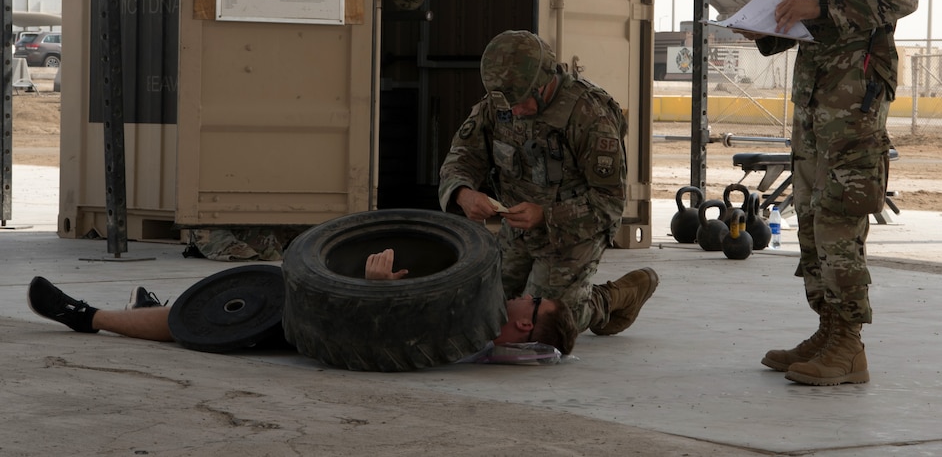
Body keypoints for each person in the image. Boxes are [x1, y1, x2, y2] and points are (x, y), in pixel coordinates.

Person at [750, 0, 924, 386]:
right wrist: (768, 26)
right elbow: (809, 18)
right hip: (813, 95)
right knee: (806, 216)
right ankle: (827, 329)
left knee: (840, 217)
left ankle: (849, 345)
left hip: (856, 95)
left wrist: (820, 5)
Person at [438, 30, 658, 337]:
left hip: (574, 231)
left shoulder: (589, 115)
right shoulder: (499, 104)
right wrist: (463, 193)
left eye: (522, 101)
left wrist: (546, 215)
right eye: (508, 104)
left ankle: (610, 298)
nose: (514, 111)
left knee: (548, 324)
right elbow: (462, 157)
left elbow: (610, 203)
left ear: (546, 80)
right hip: (517, 230)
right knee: (483, 312)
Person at [26, 248, 579, 357]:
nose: (520, 296)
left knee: (194, 324)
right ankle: (159, 304)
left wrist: (376, 291)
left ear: (527, 326)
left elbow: (401, 343)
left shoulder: (478, 344)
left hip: (315, 335)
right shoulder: (485, 318)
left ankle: (85, 316)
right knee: (250, 288)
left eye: (530, 304)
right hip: (330, 314)